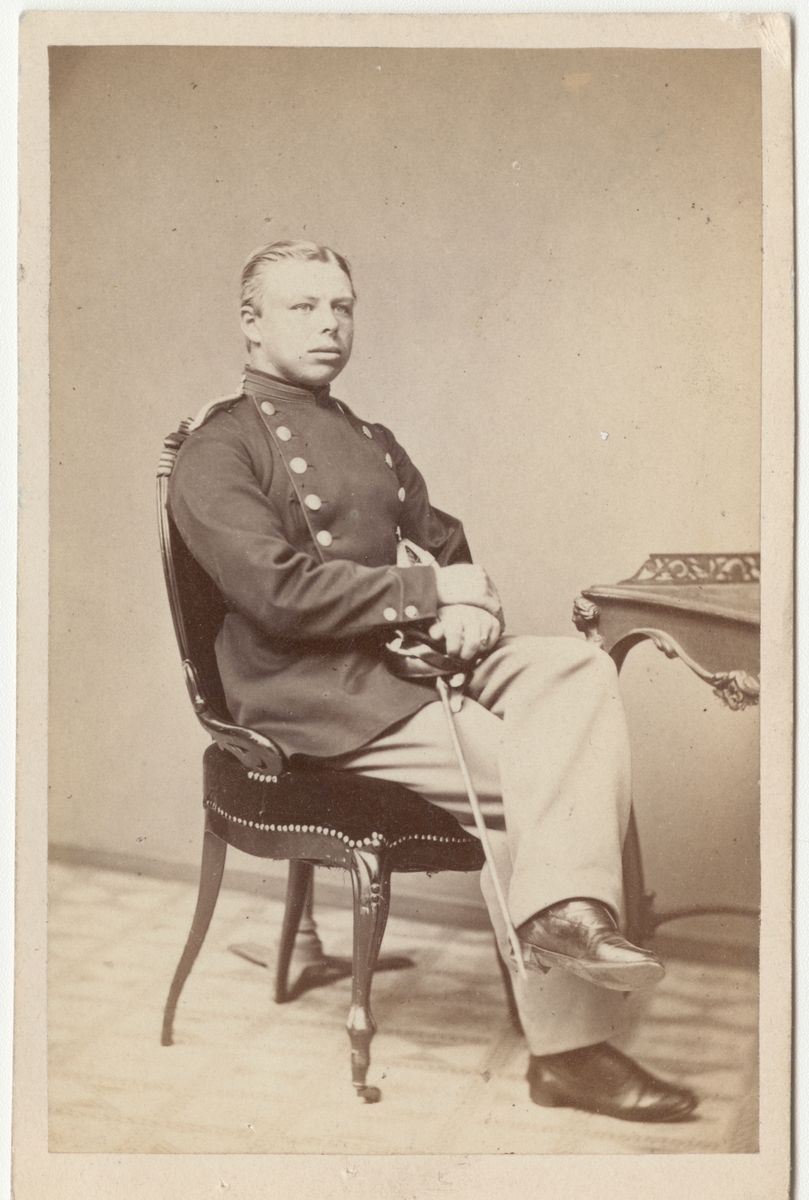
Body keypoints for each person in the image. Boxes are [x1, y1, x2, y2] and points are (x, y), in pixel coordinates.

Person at [168, 240, 698, 1122]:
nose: (329, 324)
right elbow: (275, 592)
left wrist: (472, 608)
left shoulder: (371, 440)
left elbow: (448, 550)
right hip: (317, 694)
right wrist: (426, 595)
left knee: (575, 668)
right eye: (303, 307)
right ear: (251, 324)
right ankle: (569, 1053)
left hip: (410, 661)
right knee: (533, 775)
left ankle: (562, 914)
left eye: (341, 306)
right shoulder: (217, 449)